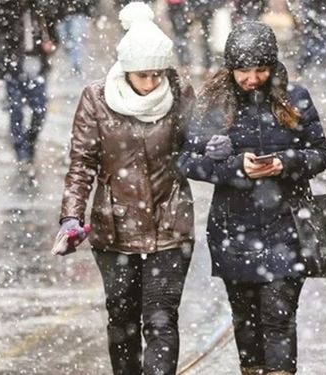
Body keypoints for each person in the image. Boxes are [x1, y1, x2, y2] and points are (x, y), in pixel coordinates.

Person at [178, 22, 326, 375]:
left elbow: (320, 153)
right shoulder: (214, 104)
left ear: (272, 66)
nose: (251, 78)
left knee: (279, 317)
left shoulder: (296, 98)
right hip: (234, 230)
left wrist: (283, 163)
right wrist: (235, 168)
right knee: (246, 320)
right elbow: (187, 160)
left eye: (260, 69)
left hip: (288, 227)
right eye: (243, 70)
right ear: (230, 68)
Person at [57, 2, 196, 374]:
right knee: (122, 319)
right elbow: (82, 163)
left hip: (170, 226)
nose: (151, 83)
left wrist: (213, 147)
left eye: (157, 74)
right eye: (142, 75)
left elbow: (194, 148)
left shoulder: (180, 93)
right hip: (114, 229)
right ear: (125, 70)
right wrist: (71, 216)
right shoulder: (97, 99)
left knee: (161, 318)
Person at [0, 0, 57, 172]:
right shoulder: (5, 10)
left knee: (39, 110)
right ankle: (21, 151)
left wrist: (51, 45)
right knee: (15, 110)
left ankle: (30, 142)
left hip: (37, 66)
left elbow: (54, 35)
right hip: (14, 67)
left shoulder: (41, 11)